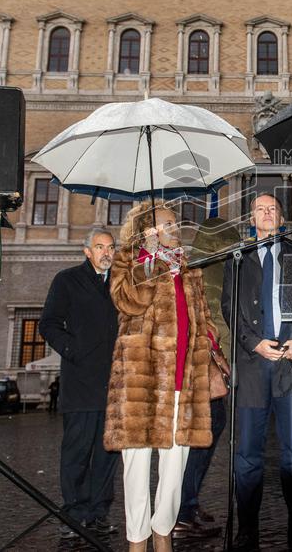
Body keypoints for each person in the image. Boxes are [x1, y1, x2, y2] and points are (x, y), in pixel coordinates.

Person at [104, 201, 214, 552]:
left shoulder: (188, 266)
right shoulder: (128, 259)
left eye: (174, 223)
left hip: (183, 377)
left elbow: (202, 318)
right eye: (166, 224)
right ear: (146, 230)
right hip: (142, 380)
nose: (174, 229)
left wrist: (212, 354)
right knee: (136, 465)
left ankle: (163, 529)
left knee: (175, 464)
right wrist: (147, 260)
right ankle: (137, 538)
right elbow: (129, 302)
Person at [223, 194, 292, 551]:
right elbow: (229, 307)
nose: (266, 213)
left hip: (289, 364)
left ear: (281, 218)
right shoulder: (237, 257)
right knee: (247, 453)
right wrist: (253, 343)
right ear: (251, 219)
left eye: (272, 209)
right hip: (252, 365)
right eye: (259, 209)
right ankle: (247, 530)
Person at [40, 227, 121, 539]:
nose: (106, 253)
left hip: (114, 384)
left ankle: (99, 513)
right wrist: (73, 349)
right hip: (81, 382)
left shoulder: (121, 282)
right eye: (99, 247)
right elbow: (48, 324)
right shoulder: (67, 280)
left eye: (110, 247)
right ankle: (74, 514)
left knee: (106, 454)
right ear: (87, 251)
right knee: (76, 453)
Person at [173, 215, 240, 541]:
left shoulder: (195, 266)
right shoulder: (212, 270)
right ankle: (182, 513)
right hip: (203, 368)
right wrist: (227, 359)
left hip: (198, 367)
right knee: (200, 440)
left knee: (200, 440)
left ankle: (188, 503)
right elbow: (215, 319)